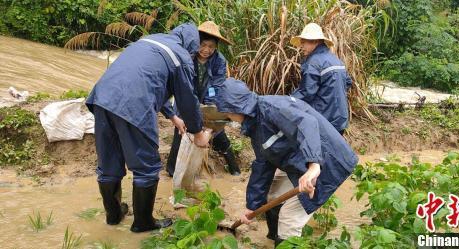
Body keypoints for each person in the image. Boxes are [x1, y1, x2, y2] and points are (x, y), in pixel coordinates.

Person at [86, 22, 212, 233]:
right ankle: (143, 222)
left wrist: (172, 116)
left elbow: (144, 80)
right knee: (146, 167)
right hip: (134, 106)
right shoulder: (180, 57)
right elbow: (188, 101)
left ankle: (114, 216)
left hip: (102, 99)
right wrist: (198, 133)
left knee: (108, 163)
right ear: (191, 45)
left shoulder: (148, 42)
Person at [215, 78, 358, 247]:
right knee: (272, 193)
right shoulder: (255, 124)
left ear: (236, 108)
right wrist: (252, 206)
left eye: (228, 112)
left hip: (329, 161)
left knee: (289, 218)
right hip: (303, 163)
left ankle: (285, 237)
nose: (229, 117)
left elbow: (306, 123)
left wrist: (314, 165)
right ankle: (274, 239)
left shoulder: (272, 108)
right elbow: (263, 164)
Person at [166, 21, 241, 177]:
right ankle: (172, 171)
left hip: (208, 101)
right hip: (185, 100)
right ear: (196, 42)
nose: (206, 50)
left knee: (218, 132)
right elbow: (183, 86)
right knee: (181, 131)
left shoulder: (219, 61)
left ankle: (235, 170)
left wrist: (207, 108)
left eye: (211, 47)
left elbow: (217, 85)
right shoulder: (187, 56)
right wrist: (192, 107)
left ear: (216, 47)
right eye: (203, 45)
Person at [290, 23, 353, 134]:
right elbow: (348, 82)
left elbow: (306, 93)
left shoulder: (313, 63)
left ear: (315, 41)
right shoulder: (336, 60)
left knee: (319, 151)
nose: (301, 46)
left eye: (304, 42)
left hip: (325, 121)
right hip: (341, 119)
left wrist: (287, 101)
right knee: (334, 150)